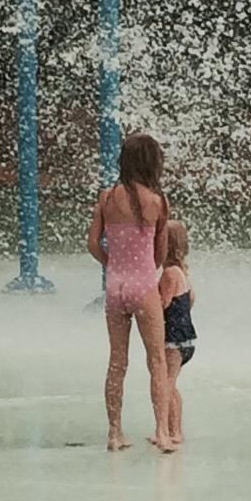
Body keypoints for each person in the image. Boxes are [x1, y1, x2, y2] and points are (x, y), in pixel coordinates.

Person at [87, 132, 172, 451]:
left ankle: (114, 432)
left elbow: (93, 244)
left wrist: (112, 265)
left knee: (117, 361)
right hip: (144, 284)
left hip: (115, 285)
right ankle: (162, 431)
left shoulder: (107, 197)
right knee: (157, 360)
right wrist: (146, 271)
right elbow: (160, 252)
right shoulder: (158, 201)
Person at [158, 218, 196, 450]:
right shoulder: (181, 272)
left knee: (166, 384)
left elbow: (162, 303)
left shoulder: (170, 274)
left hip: (173, 339)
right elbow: (191, 299)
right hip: (186, 337)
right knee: (169, 383)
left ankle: (174, 431)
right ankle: (173, 429)